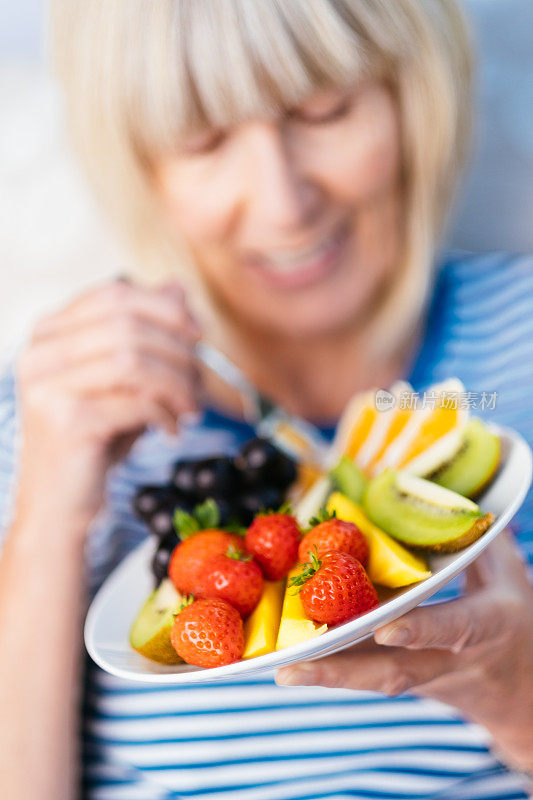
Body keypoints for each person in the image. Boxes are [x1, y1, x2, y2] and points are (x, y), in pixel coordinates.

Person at [0, 1, 532, 799]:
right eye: (203, 140)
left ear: (412, 93)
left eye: (325, 109)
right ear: (138, 163)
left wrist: (518, 698)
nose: (282, 203)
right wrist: (47, 523)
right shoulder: (58, 417)